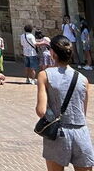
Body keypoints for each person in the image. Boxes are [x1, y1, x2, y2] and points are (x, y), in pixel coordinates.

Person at [36, 34, 94, 171]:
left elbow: (41, 111)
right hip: (81, 132)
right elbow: (82, 112)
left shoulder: (45, 75)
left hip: (58, 133)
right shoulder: (83, 79)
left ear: (53, 53)